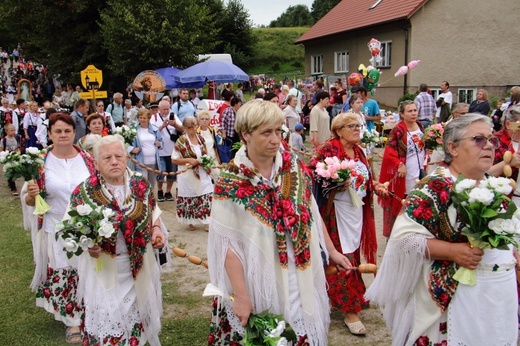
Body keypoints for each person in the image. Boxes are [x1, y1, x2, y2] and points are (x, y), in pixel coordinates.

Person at [207, 101, 351, 345]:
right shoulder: (230, 182)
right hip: (259, 280)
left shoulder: (294, 167)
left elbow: (311, 213)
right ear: (246, 135)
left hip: (300, 272)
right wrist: (241, 296)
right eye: (266, 132)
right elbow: (228, 245)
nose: (276, 139)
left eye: (278, 131)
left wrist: (332, 250)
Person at [366, 114, 518, 345]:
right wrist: (452, 251)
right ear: (452, 148)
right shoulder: (435, 186)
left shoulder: (493, 185)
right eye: (478, 139)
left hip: (495, 298)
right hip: (452, 301)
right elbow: (403, 240)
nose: (488, 145)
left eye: (491, 140)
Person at [67, 135, 165, 345]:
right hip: (105, 270)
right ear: (95, 162)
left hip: (138, 268)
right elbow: (72, 229)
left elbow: (153, 211)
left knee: (137, 324)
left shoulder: (140, 184)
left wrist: (156, 230)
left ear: (126, 157)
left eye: (118, 156)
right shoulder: (84, 192)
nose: (114, 161)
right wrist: (88, 245)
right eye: (107, 157)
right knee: (110, 324)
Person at [310, 112, 385, 336]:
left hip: (356, 211)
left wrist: (376, 185)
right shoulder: (328, 150)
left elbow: (366, 177)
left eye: (358, 125)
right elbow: (315, 176)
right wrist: (334, 183)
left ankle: (351, 295)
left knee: (352, 253)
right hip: (335, 212)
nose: (357, 129)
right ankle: (347, 307)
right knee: (340, 254)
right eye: (351, 126)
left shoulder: (360, 150)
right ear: (338, 130)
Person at [24, 113, 97, 344]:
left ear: (75, 133)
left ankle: (90, 311)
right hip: (54, 224)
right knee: (64, 270)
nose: (63, 135)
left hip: (84, 224)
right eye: (58, 131)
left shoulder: (87, 159)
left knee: (86, 269)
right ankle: (72, 320)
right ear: (50, 134)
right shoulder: (40, 162)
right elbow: (29, 201)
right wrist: (31, 196)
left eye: (67, 131)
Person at [379, 101, 425, 237]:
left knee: (417, 201)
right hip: (403, 174)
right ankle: (397, 235)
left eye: (415, 110)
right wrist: (399, 164)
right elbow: (389, 152)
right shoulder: (398, 130)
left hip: (418, 170)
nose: (413, 113)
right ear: (402, 114)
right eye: (410, 111)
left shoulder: (420, 126)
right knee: (401, 203)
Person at [171, 116, 213, 231]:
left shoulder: (200, 139)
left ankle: (207, 222)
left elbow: (206, 153)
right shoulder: (180, 141)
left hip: (202, 172)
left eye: (195, 126)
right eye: (190, 128)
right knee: (191, 195)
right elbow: (174, 160)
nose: (193, 129)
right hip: (188, 174)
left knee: (207, 193)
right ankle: (190, 221)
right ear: (184, 128)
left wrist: (206, 161)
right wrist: (189, 160)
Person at [150, 99, 183, 202]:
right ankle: (160, 190)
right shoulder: (153, 118)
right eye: (163, 109)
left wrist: (174, 125)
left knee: (172, 173)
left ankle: (168, 192)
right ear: (159, 109)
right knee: (161, 172)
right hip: (160, 151)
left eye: (167, 109)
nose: (166, 111)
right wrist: (162, 126)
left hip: (172, 151)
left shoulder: (174, 116)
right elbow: (151, 132)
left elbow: (182, 129)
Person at [128, 108, 163, 191]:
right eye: (140, 117)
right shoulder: (134, 130)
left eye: (144, 118)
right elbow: (126, 144)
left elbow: (161, 142)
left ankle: (151, 203)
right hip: (140, 162)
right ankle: (142, 202)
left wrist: (159, 144)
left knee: (151, 185)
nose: (142, 120)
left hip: (153, 161)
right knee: (141, 185)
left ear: (148, 119)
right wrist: (132, 149)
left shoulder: (155, 129)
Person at [196, 110, 221, 178]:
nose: (204, 120)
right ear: (198, 120)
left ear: (209, 120)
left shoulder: (213, 130)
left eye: (206, 119)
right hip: (203, 160)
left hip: (214, 158)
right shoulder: (196, 132)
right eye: (202, 119)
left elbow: (220, 142)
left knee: (217, 176)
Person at [1, 123, 21, 195]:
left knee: (16, 172)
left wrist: (18, 153)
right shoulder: (4, 140)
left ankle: (11, 184)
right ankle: (13, 188)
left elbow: (18, 147)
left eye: (14, 130)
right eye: (11, 130)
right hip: (8, 159)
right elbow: (1, 150)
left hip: (15, 158)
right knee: (10, 173)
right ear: (6, 131)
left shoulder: (16, 138)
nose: (13, 132)